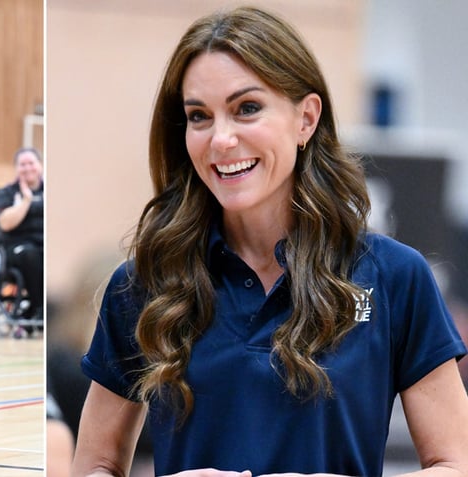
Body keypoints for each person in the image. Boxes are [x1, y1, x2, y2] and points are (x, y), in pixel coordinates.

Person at [72, 6, 468, 477]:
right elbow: (93, 465)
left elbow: (454, 464)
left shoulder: (395, 276)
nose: (221, 139)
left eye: (247, 109)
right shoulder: (143, 285)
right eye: (199, 116)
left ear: (306, 118)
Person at [0, 147, 44, 328]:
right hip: (17, 249)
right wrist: (26, 200)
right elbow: (5, 223)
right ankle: (39, 308)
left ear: (40, 165)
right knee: (30, 254)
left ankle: (38, 307)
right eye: (23, 164)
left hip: (43, 246)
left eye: (31, 163)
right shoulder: (8, 193)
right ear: (17, 169)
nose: (27, 167)